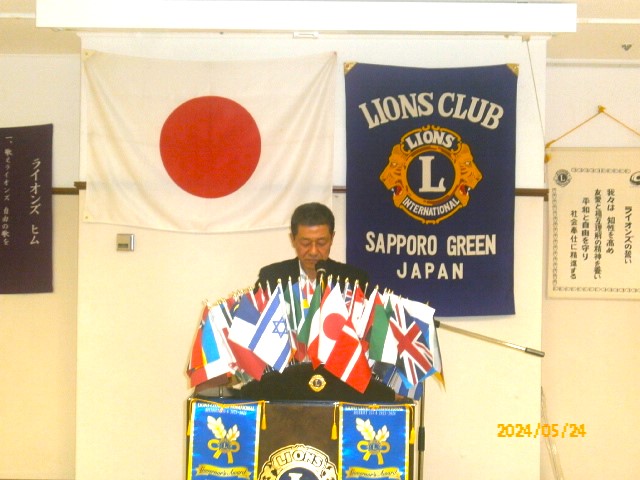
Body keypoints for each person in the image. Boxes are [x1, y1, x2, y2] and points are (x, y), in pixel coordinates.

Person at [255, 202, 369, 291]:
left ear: (332, 238)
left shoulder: (354, 280)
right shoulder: (271, 279)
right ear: (293, 239)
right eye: (305, 243)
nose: (313, 252)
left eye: (321, 243)